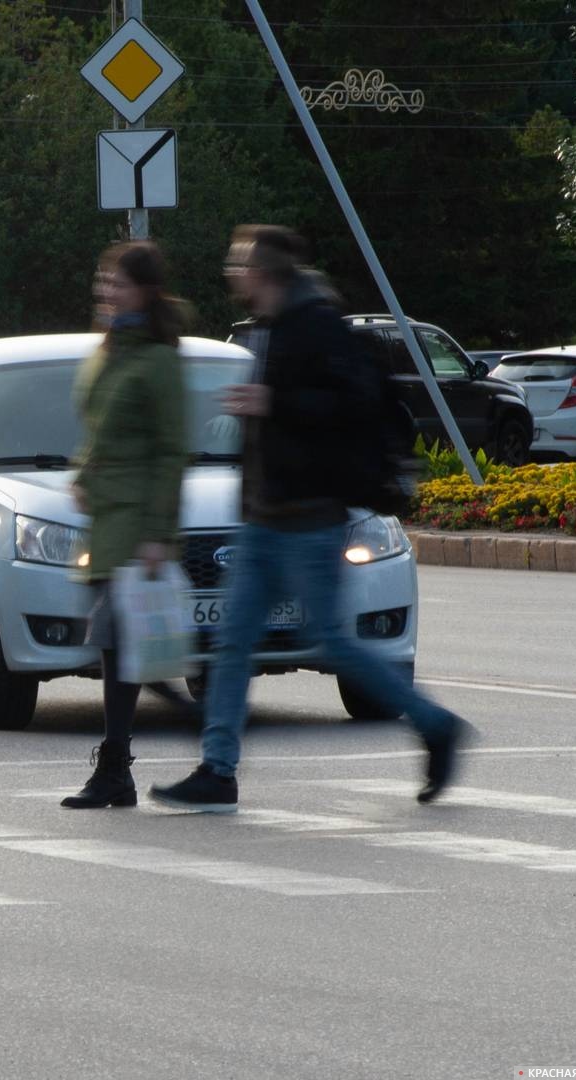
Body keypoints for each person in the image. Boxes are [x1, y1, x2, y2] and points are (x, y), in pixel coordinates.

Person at [150, 226, 468, 813]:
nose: (231, 274)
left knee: (333, 644)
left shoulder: (317, 324)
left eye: (238, 264)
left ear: (263, 273)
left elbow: (354, 405)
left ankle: (436, 724)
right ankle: (218, 771)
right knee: (232, 644)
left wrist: (276, 404)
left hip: (309, 519)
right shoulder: (270, 329)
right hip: (265, 518)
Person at [62, 241, 188, 810]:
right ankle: (121, 766)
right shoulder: (109, 349)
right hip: (105, 518)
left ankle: (121, 763)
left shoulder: (159, 358)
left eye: (118, 282)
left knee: (115, 637)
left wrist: (161, 532)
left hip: (137, 523)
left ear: (145, 291)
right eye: (103, 281)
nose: (107, 291)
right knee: (115, 645)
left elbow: (171, 450)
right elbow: (101, 428)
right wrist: (84, 471)